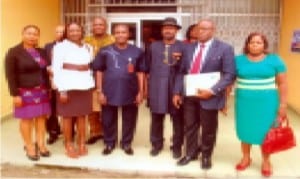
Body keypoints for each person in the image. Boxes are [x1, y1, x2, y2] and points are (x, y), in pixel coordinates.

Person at [173, 19, 235, 169]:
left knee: (208, 128)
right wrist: (176, 92)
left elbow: (229, 74)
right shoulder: (188, 48)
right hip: (190, 95)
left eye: (205, 29)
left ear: (213, 30)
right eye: (199, 29)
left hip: (210, 96)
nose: (201, 32)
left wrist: (212, 91)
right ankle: (190, 153)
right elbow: (181, 72)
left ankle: (206, 156)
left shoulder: (224, 48)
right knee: (190, 126)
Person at [234, 32, 288, 177]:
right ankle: (246, 158)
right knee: (245, 131)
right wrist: (223, 101)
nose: (255, 45)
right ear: (247, 44)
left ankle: (266, 161)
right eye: (252, 42)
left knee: (267, 132)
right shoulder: (238, 60)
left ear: (264, 45)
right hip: (244, 103)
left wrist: (283, 105)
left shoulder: (275, 60)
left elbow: (282, 83)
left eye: (259, 42)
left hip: (268, 104)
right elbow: (229, 81)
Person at [92, 24, 145, 155]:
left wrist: (141, 91)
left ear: (129, 34)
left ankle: (126, 143)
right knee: (108, 119)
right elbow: (99, 71)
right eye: (117, 32)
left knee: (130, 118)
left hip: (130, 90)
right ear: (113, 34)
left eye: (123, 32)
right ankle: (109, 143)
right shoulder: (104, 51)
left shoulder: (137, 51)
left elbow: (141, 73)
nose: (120, 35)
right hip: (109, 90)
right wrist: (100, 91)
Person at [4, 25, 51, 161]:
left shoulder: (41, 51)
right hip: (25, 92)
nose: (32, 36)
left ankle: (41, 144)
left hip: (42, 90)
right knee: (27, 119)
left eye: (35, 34)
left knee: (41, 118)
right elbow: (10, 75)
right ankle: (29, 146)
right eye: (29, 33)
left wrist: (48, 87)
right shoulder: (14, 52)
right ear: (23, 34)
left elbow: (45, 70)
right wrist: (15, 94)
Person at [52, 22, 94, 158]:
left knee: (82, 116)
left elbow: (89, 67)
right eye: (71, 31)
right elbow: (56, 69)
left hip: (84, 86)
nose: (75, 33)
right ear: (67, 33)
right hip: (67, 86)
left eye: (77, 30)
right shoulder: (60, 47)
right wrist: (62, 90)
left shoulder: (88, 47)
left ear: (82, 32)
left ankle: (81, 142)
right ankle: (68, 144)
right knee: (67, 117)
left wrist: (91, 84)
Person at [146, 17, 184, 159]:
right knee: (156, 117)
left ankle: (176, 146)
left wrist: (178, 91)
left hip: (175, 86)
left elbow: (184, 70)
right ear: (162, 31)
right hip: (156, 87)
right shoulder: (153, 46)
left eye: (171, 28)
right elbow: (148, 68)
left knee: (177, 119)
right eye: (165, 28)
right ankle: (156, 144)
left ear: (176, 30)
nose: (168, 30)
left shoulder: (183, 46)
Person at [84, 17, 115, 145]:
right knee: (92, 108)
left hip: (108, 77)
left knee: (108, 107)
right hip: (90, 77)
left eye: (101, 24)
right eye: (96, 24)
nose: (98, 27)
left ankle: (108, 133)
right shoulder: (86, 40)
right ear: (92, 26)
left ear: (106, 26)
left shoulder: (112, 40)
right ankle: (95, 132)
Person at [44, 25, 65, 144]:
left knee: (66, 107)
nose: (60, 34)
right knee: (51, 108)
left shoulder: (70, 47)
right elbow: (44, 62)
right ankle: (53, 132)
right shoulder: (47, 46)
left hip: (66, 81)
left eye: (62, 32)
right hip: (51, 81)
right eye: (57, 32)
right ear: (54, 33)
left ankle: (69, 132)